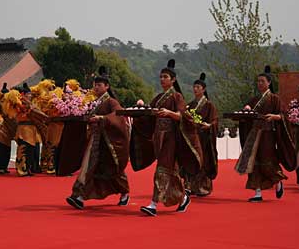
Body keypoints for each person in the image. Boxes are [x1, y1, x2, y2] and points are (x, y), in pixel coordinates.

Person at [131, 59, 202, 216]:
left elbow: (184, 117)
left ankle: (153, 204)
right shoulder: (158, 98)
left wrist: (169, 114)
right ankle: (183, 198)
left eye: (165, 77)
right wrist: (139, 110)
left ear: (173, 80)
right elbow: (150, 115)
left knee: (161, 170)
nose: (162, 79)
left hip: (170, 139)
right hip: (159, 139)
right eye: (161, 77)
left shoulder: (177, 97)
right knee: (170, 171)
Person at [66, 66, 131, 210]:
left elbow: (119, 115)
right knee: (91, 167)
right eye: (95, 84)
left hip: (108, 142)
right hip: (96, 140)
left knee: (112, 170)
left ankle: (124, 193)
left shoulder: (111, 102)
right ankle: (79, 196)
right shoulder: (94, 101)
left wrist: (103, 118)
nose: (96, 87)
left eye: (99, 85)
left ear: (107, 87)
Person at [236, 66, 296, 202]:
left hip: (267, 135)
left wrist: (275, 117)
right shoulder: (254, 100)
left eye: (262, 81)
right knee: (254, 162)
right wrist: (246, 109)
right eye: (258, 81)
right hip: (254, 135)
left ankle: (278, 180)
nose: (260, 84)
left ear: (269, 83)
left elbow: (284, 115)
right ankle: (257, 192)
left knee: (268, 161)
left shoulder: (275, 99)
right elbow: (247, 113)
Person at [185, 73, 219, 196]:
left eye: (198, 87)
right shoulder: (190, 105)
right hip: (194, 137)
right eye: (194, 87)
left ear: (203, 89)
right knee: (192, 160)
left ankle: (203, 187)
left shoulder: (209, 105)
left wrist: (209, 126)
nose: (195, 89)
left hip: (204, 138)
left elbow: (215, 120)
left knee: (204, 161)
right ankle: (190, 187)